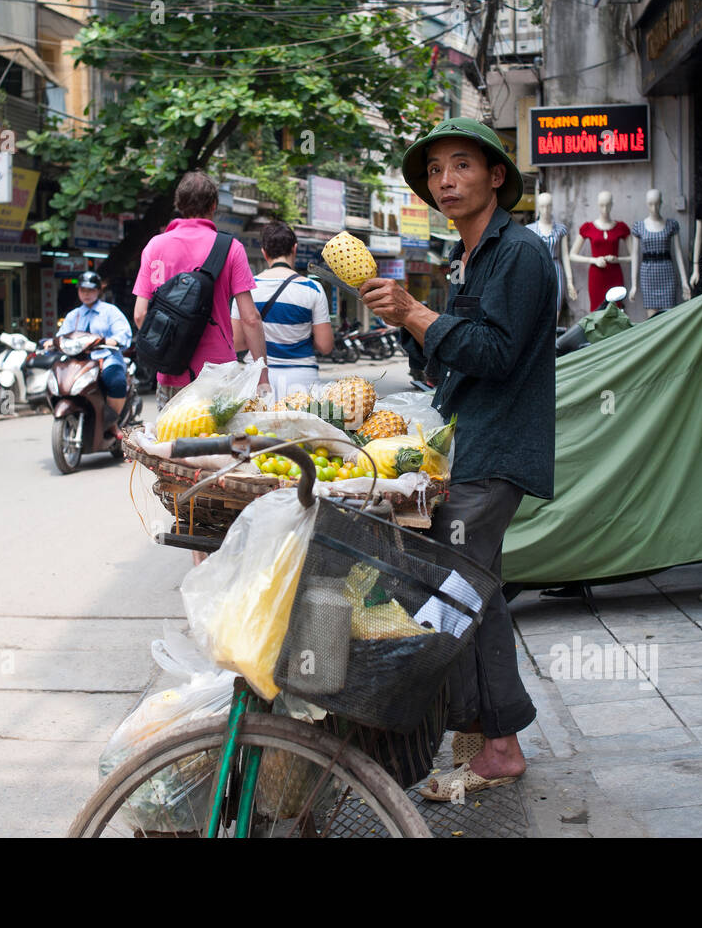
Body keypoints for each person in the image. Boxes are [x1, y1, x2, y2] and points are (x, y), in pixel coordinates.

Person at [359, 117, 555, 801]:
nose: (446, 180)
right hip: (462, 444)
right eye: (436, 170)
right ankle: (491, 738)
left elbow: (496, 356)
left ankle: (474, 734)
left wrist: (416, 312)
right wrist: (404, 321)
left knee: (458, 592)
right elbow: (447, 362)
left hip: (495, 448)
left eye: (462, 166)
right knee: (476, 592)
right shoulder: (468, 257)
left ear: (496, 176)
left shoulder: (521, 254)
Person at [132, 171, 271, 410]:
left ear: (178, 205)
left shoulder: (155, 246)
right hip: (218, 373)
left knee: (172, 444)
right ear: (214, 205)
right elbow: (250, 318)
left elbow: (140, 315)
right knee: (217, 444)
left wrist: (172, 350)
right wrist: (262, 375)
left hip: (171, 372)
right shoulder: (231, 249)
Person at [232, 221, 333, 401]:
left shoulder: (247, 290)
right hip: (302, 383)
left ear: (264, 252)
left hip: (257, 381)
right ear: (294, 248)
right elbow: (325, 346)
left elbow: (237, 343)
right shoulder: (313, 288)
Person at [58, 270, 134, 434]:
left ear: (99, 291)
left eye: (90, 290)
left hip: (106, 359)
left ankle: (112, 422)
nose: (86, 294)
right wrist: (51, 342)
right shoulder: (74, 315)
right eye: (82, 290)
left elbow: (123, 334)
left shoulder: (110, 311)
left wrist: (111, 340)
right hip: (79, 362)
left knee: (117, 382)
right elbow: (61, 336)